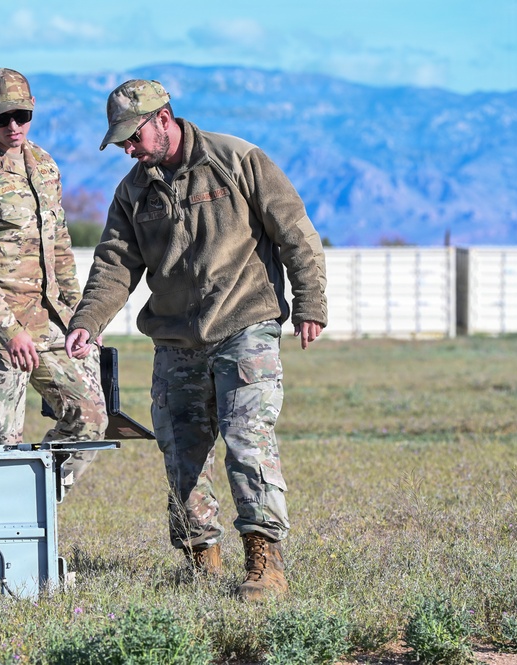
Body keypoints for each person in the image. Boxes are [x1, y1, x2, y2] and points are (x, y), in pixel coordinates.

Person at [65, 79, 328, 601]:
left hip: (245, 325)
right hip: (175, 342)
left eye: (133, 135)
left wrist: (310, 305)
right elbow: (116, 264)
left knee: (247, 440)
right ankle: (200, 559)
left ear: (164, 118)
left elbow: (295, 232)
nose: (128, 148)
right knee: (181, 455)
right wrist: (87, 320)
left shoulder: (238, 160)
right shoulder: (133, 191)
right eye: (120, 141)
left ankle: (264, 561)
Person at [0, 68, 108, 488]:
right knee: (0, 446)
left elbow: (60, 245)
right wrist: (8, 331)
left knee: (90, 420)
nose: (14, 126)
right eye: (1, 118)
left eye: (23, 115)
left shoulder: (44, 164)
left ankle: (38, 503)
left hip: (50, 321)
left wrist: (80, 319)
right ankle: (5, 523)